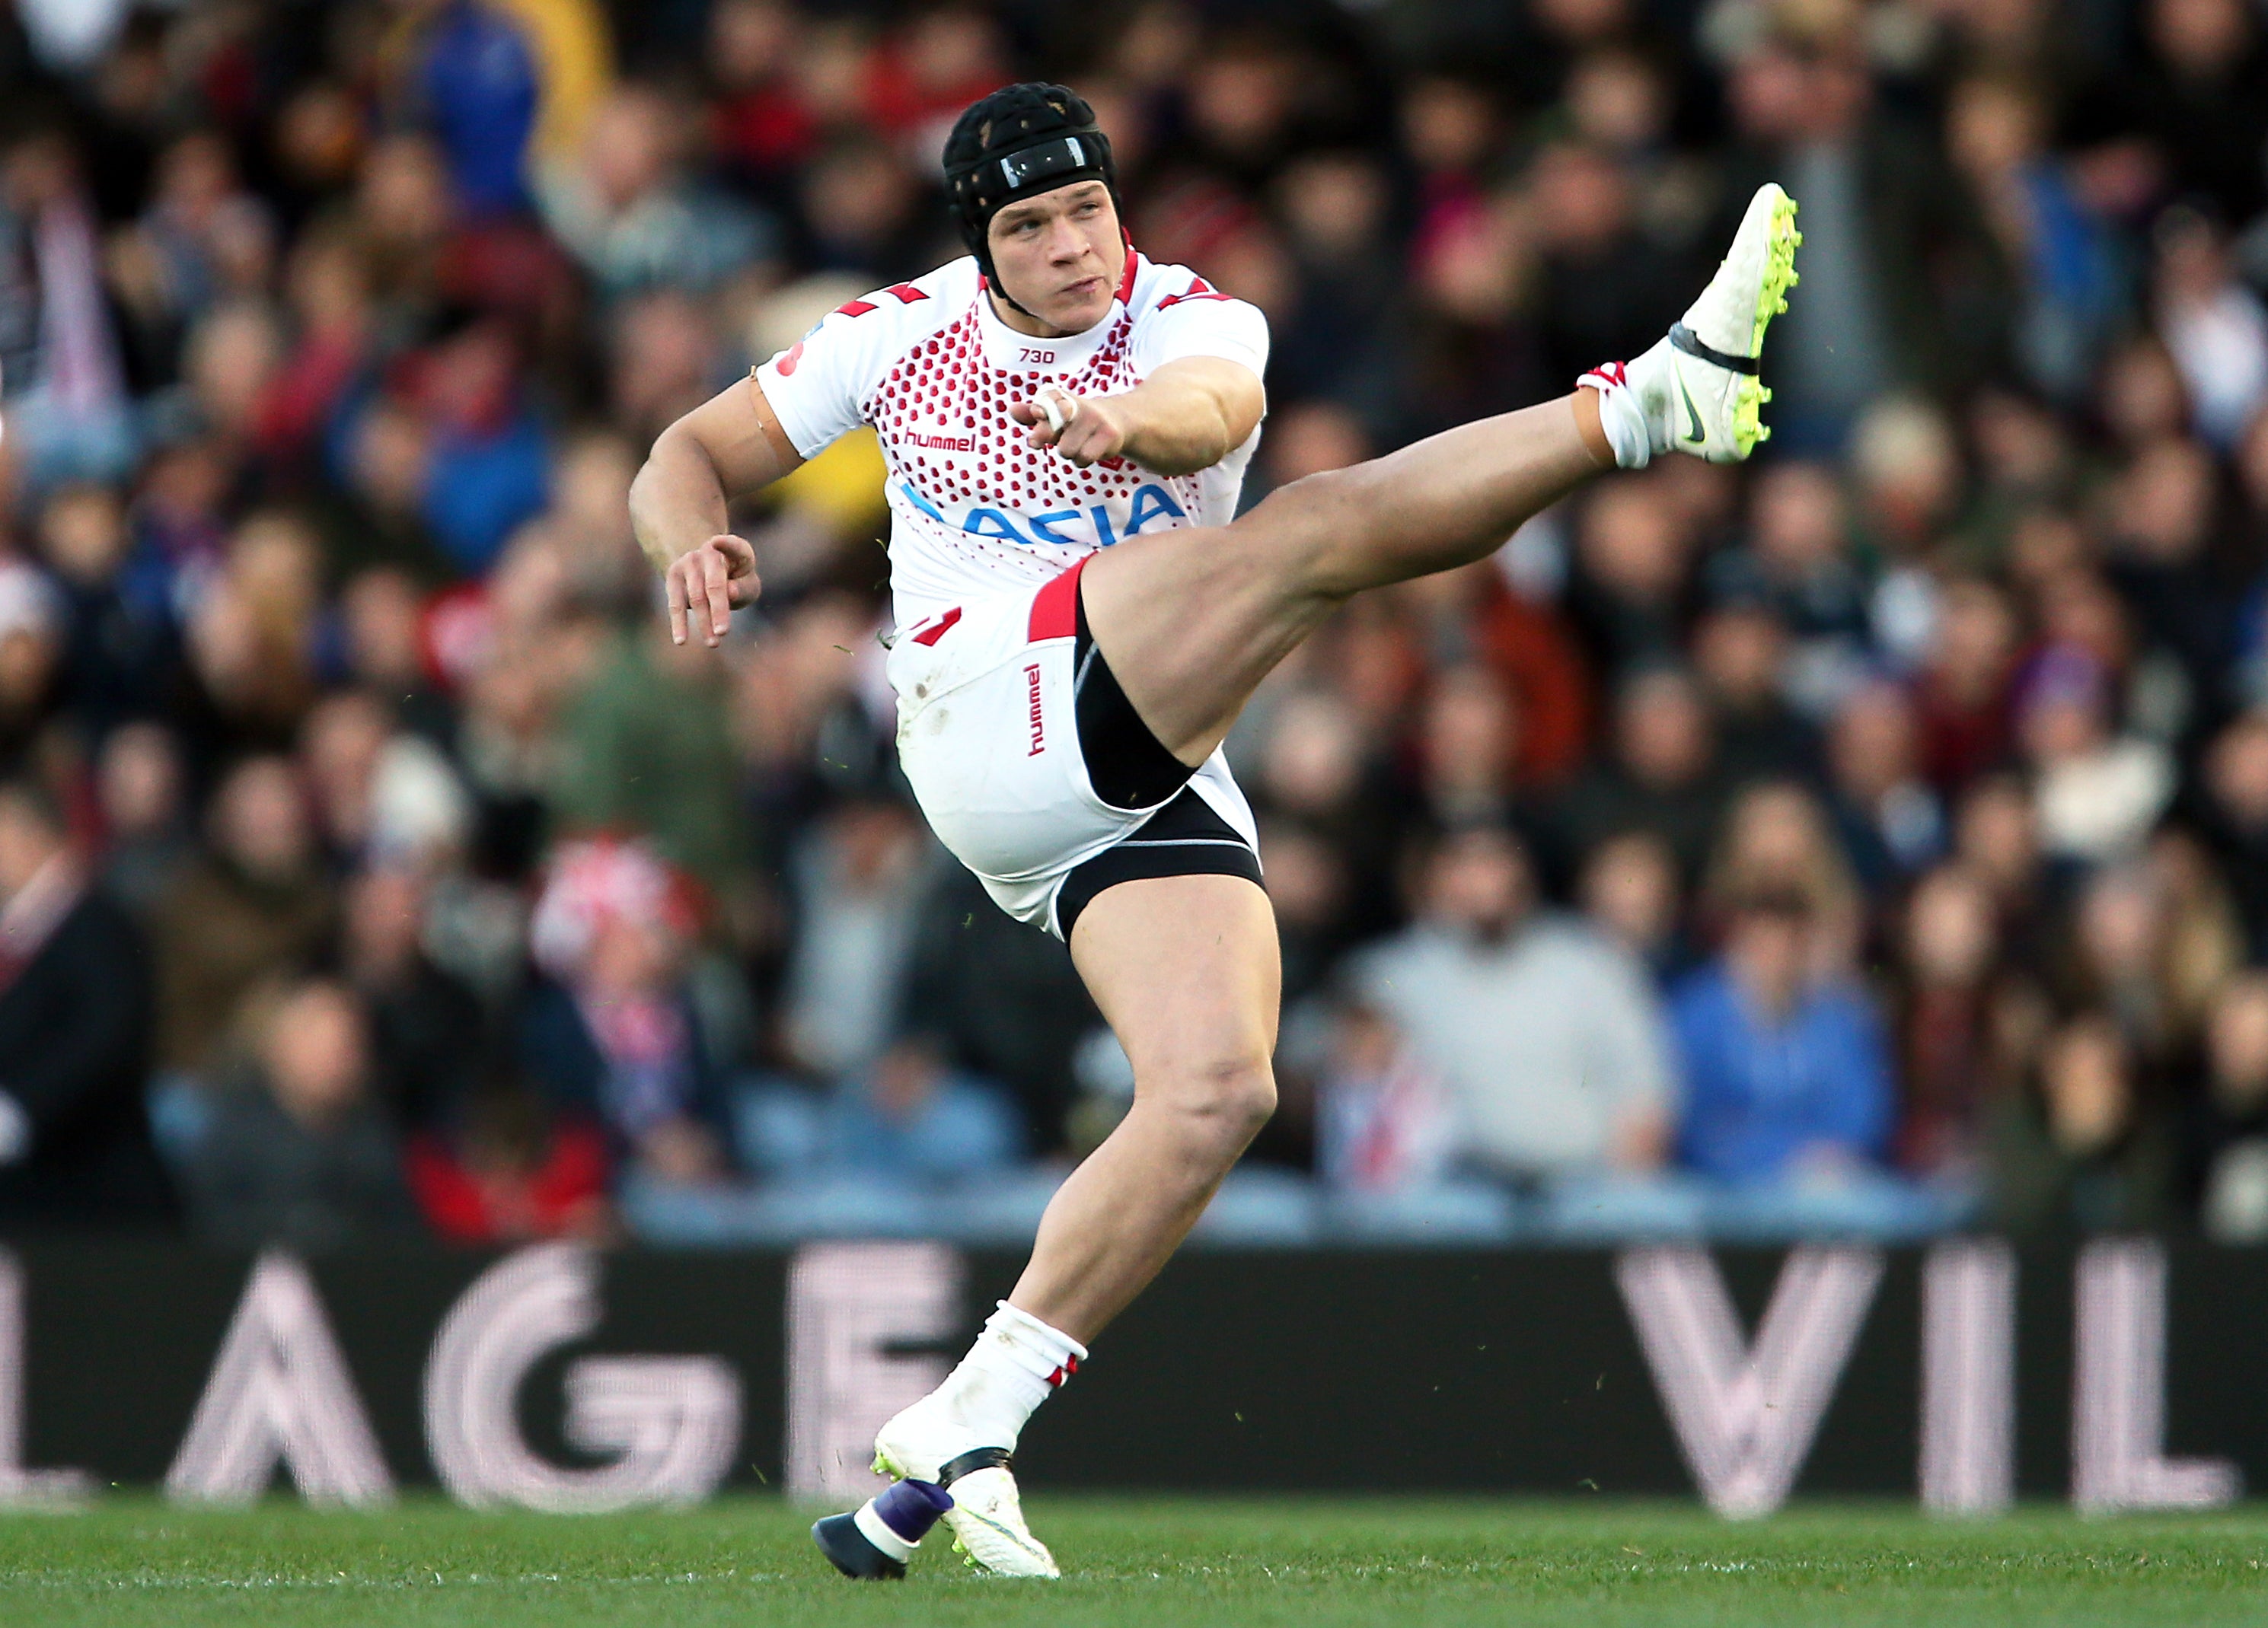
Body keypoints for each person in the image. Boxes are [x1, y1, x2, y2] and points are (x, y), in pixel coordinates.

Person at [629, 81, 1801, 1579]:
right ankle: (1645, 403)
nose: (1068, 247)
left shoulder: (1192, 317)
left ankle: (962, 1420)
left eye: (1085, 211)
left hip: (1136, 744)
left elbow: (1216, 408)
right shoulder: (898, 330)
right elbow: (682, 450)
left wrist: (1121, 418)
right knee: (1299, 543)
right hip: (988, 705)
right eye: (1029, 225)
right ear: (980, 250)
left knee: (1217, 1090)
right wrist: (691, 544)